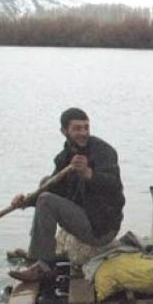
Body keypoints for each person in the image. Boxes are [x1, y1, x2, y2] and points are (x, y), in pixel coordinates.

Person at [8, 108, 125, 282]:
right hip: (84, 216)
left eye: (86, 127)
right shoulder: (64, 157)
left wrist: (88, 173)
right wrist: (25, 202)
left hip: (102, 228)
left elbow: (115, 187)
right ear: (64, 131)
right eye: (77, 129)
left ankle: (43, 267)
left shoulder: (104, 151)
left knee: (46, 201)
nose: (83, 133)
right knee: (45, 183)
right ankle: (40, 258)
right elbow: (52, 188)